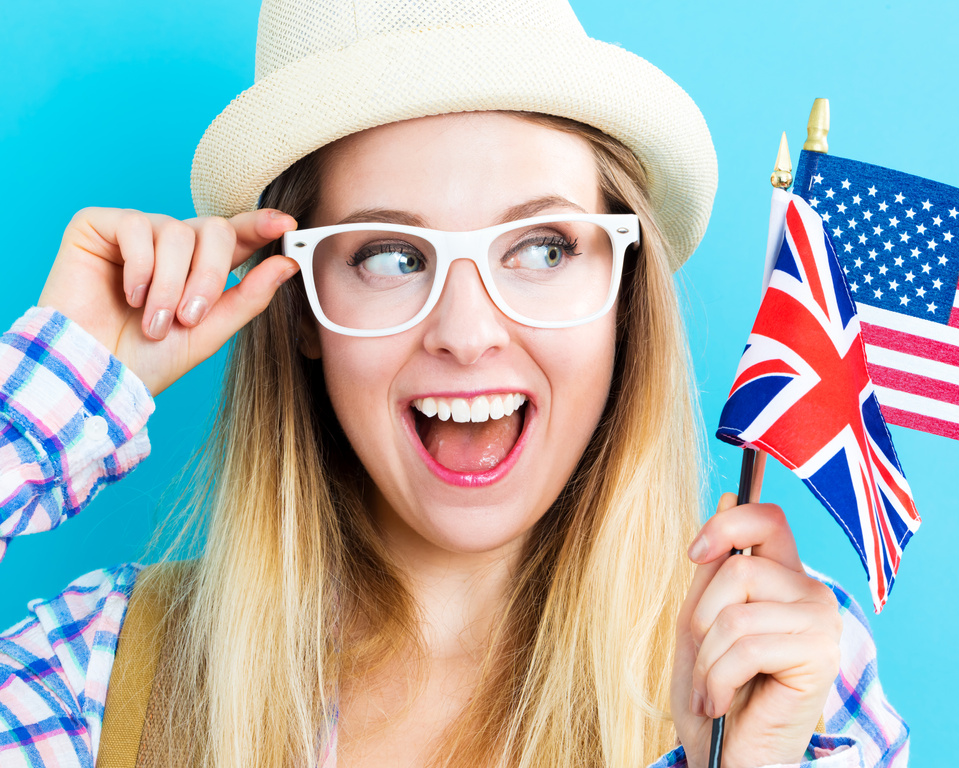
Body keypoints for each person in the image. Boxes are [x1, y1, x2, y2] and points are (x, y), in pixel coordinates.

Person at [0, 1, 909, 766]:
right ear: (303, 308)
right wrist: (44, 408)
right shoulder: (102, 669)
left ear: (624, 294)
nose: (468, 334)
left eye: (543, 248)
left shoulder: (786, 684)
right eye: (391, 256)